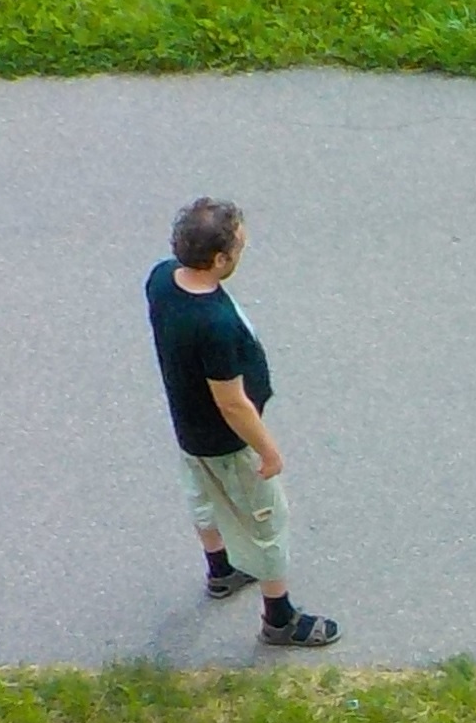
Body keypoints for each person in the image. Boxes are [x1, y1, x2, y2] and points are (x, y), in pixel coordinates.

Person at [145, 198, 341, 647]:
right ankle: (280, 618)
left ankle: (221, 570)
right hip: (227, 442)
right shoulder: (215, 324)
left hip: (189, 430)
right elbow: (232, 403)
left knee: (203, 499)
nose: (241, 251)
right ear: (218, 259)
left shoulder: (160, 280)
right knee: (266, 523)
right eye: (238, 248)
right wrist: (268, 451)